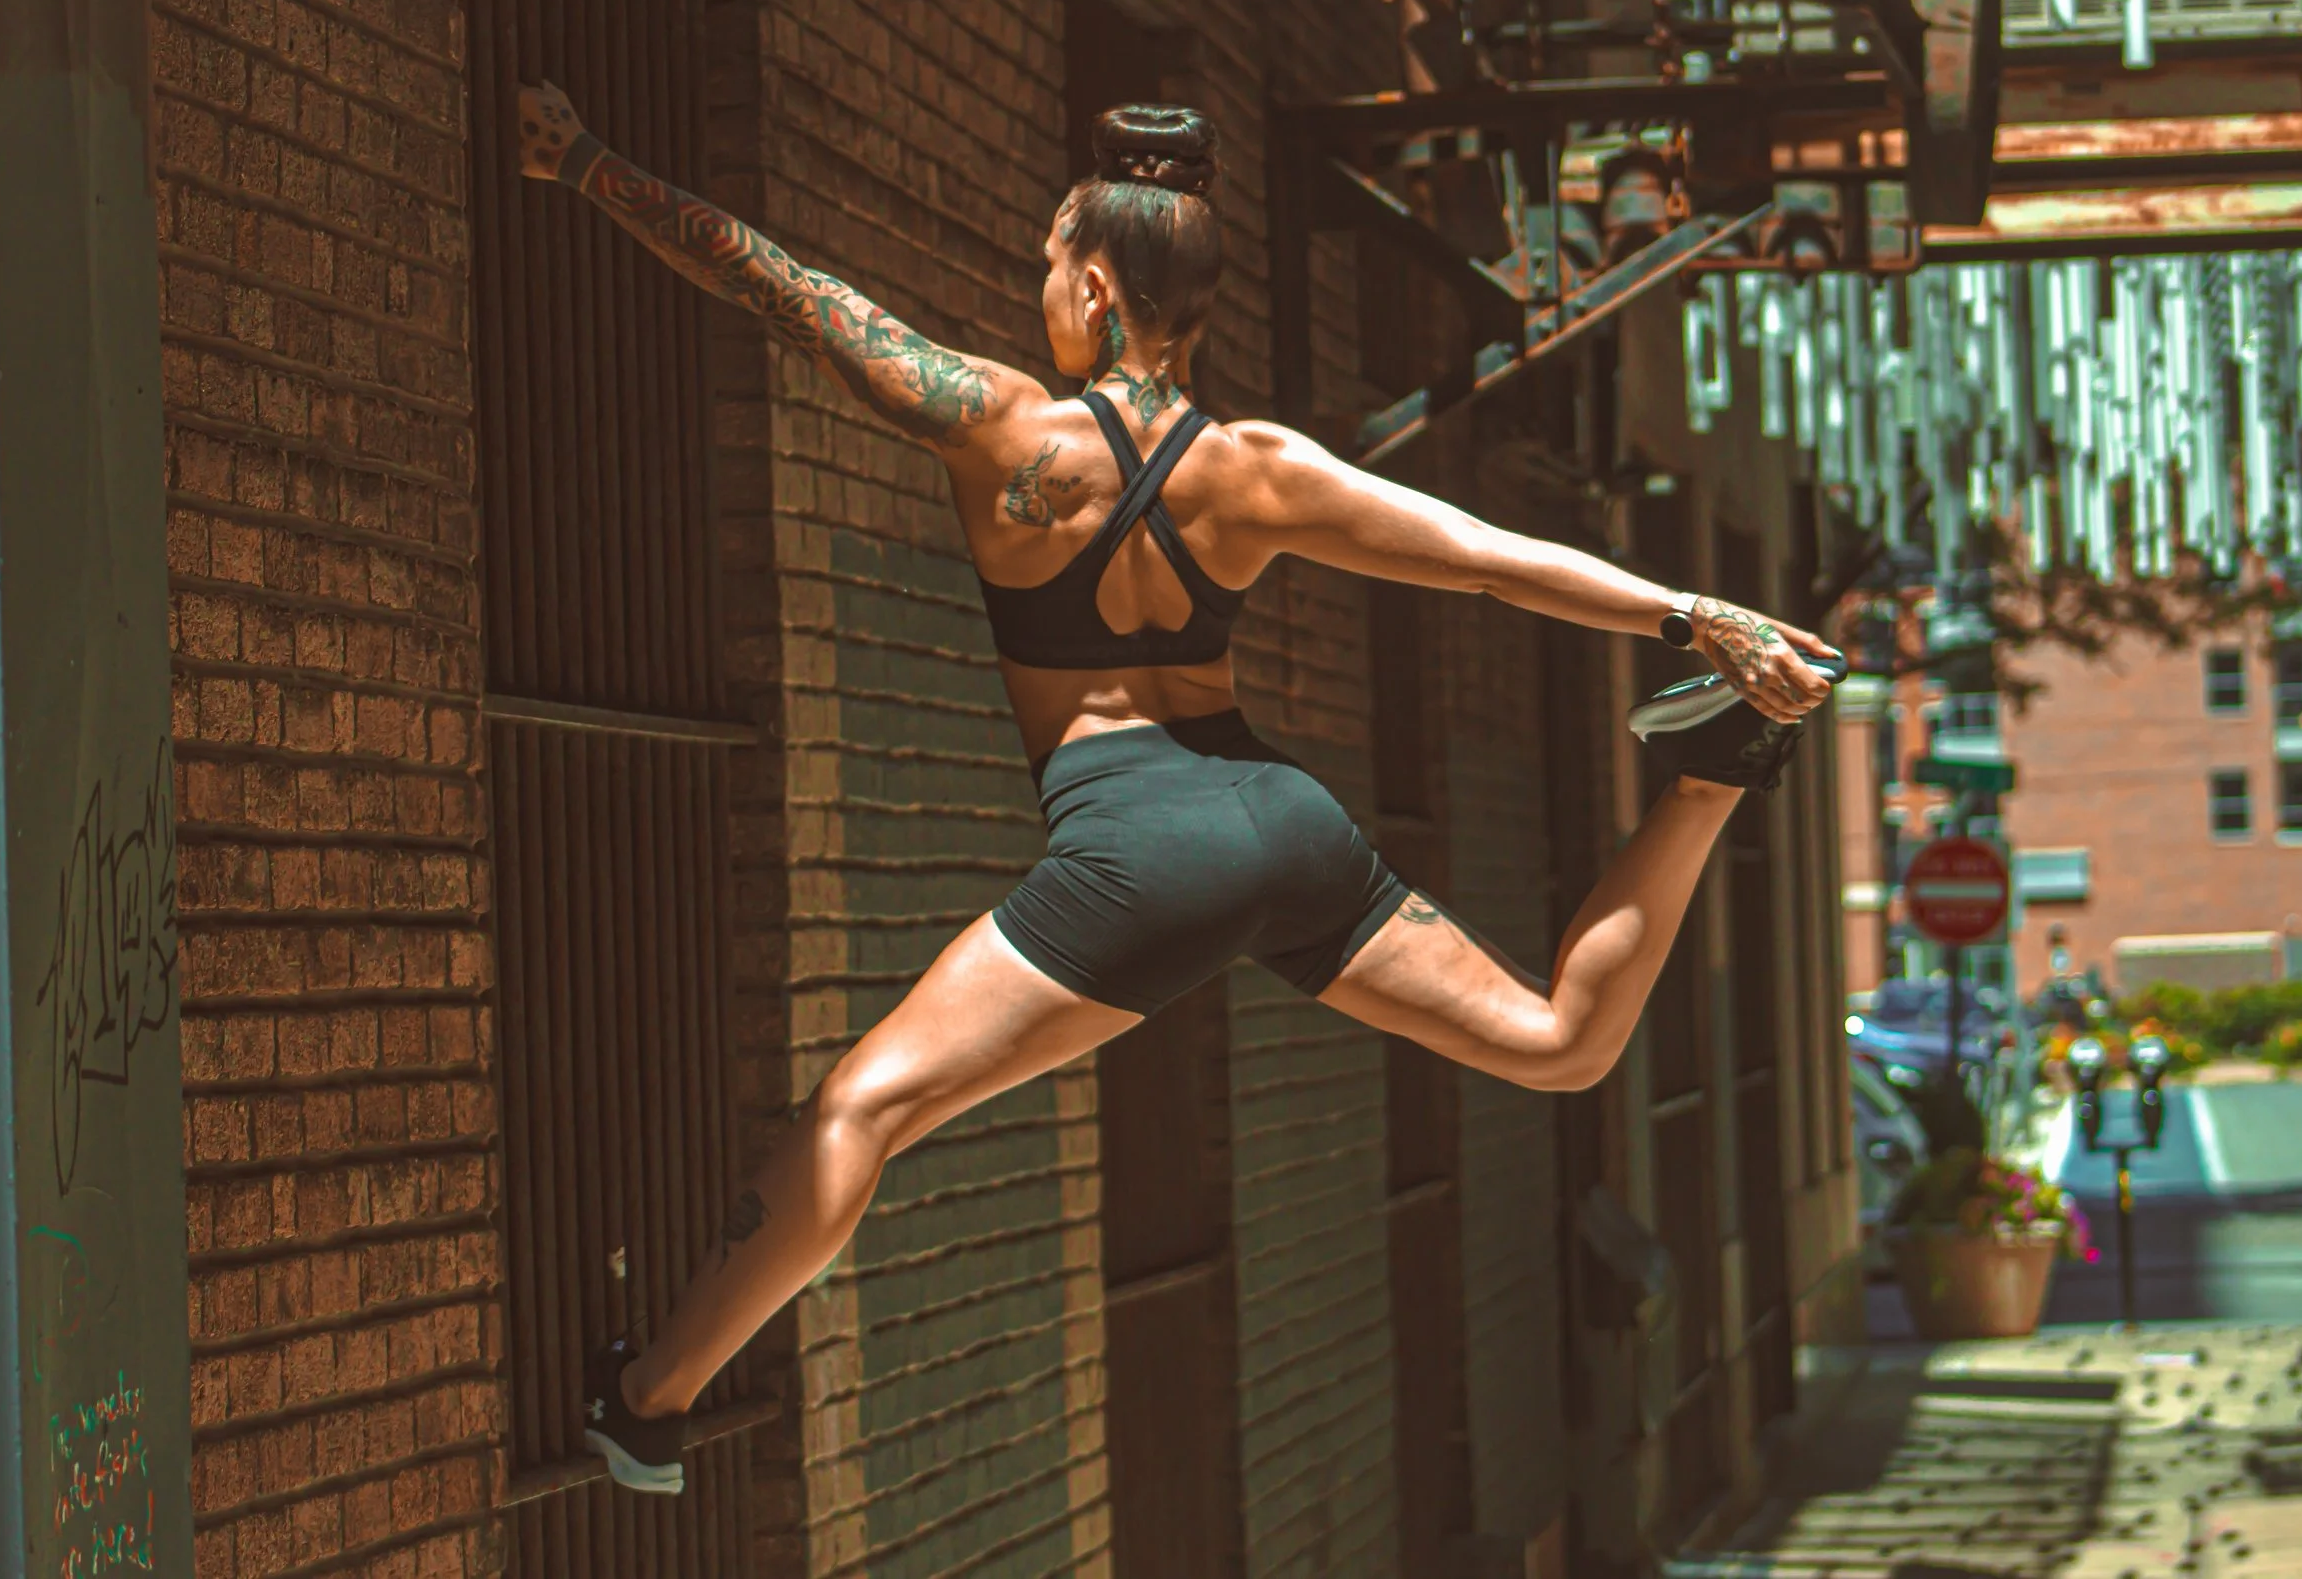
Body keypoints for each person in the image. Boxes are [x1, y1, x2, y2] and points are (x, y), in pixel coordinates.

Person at [516, 83, 1841, 1493]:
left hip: (1136, 848)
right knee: (1561, 1040)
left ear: (1092, 284)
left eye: (1045, 265)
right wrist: (1699, 612)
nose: (1039, 290)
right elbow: (1480, 552)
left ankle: (650, 1403)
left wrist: (592, 162)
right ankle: (1704, 783)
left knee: (863, 1110)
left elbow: (788, 291)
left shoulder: (1008, 433)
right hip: (1280, 820)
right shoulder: (1259, 470)